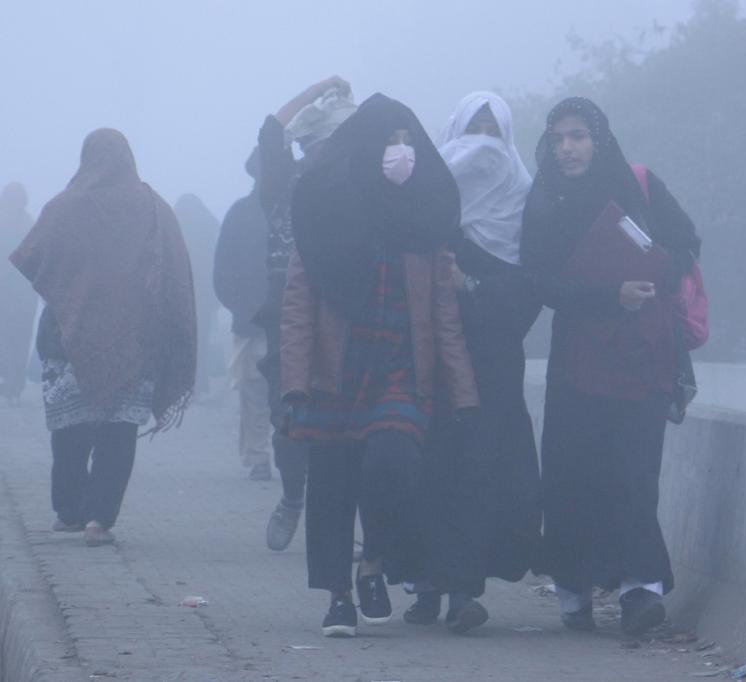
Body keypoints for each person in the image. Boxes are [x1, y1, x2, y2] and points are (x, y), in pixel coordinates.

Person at [282, 93, 479, 638]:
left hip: (400, 371)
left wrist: (463, 392)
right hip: (335, 370)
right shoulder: (324, 213)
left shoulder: (427, 219)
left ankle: (372, 563)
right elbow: (298, 304)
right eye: (389, 141)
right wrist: (294, 382)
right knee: (332, 485)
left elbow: (443, 315)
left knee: (393, 464)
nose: (400, 153)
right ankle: (338, 597)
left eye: (408, 141)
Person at [520, 98, 704, 636]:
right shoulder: (545, 202)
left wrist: (651, 267)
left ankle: (640, 590)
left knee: (634, 473)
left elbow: (686, 245)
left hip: (643, 354)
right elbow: (540, 281)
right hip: (578, 358)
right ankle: (574, 591)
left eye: (578, 136)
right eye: (558, 139)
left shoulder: (638, 185)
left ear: (598, 140)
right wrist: (608, 294)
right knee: (571, 474)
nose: (567, 148)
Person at [9, 129, 196, 546]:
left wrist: (68, 289)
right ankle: (98, 520)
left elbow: (30, 257)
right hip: (133, 343)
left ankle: (69, 512)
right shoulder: (153, 207)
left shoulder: (64, 206)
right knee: (118, 431)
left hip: (68, 339)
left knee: (69, 427)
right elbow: (175, 274)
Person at [402, 92, 541, 632]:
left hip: (492, 366)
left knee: (478, 473)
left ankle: (463, 590)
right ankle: (424, 585)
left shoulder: (522, 205)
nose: (482, 142)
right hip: (429, 361)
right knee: (428, 468)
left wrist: (472, 287)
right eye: (472, 128)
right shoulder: (431, 199)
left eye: (492, 130)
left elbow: (530, 289)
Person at [256, 76, 357, 550]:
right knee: (288, 413)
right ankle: (293, 496)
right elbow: (271, 131)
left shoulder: (361, 186)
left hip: (347, 307)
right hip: (288, 311)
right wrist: (318, 90)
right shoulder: (285, 184)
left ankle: (347, 520)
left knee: (351, 417)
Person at [214, 150, 273, 480]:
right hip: (257, 324)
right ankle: (261, 456)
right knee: (255, 392)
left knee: (269, 394)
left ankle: (273, 454)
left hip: (284, 323)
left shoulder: (296, 210)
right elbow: (223, 272)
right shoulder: (241, 214)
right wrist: (241, 307)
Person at [175, 194, 223, 395]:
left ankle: (184, 383)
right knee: (201, 339)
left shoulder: (177, 225)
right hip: (204, 294)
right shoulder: (208, 225)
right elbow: (215, 261)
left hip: (181, 292)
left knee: (182, 339)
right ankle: (201, 382)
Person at [0, 182, 37, 405]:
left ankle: (12, 383)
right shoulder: (29, 225)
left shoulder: (25, 225)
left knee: (10, 338)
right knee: (18, 339)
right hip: (23, 294)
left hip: (15, 294)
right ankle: (13, 385)